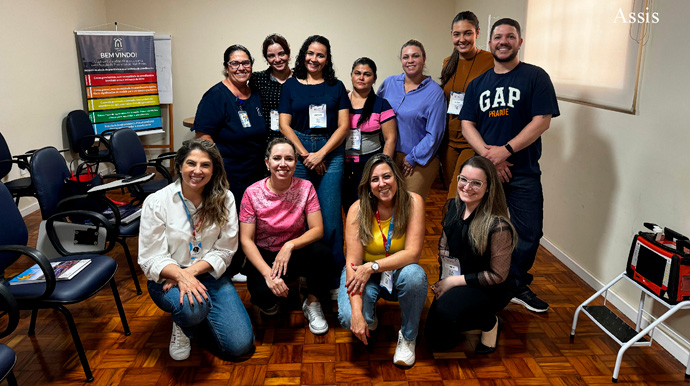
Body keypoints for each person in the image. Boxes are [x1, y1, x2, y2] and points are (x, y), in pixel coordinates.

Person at [459, 18, 560, 313]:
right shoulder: (478, 84)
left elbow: (542, 121)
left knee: (529, 232)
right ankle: (477, 282)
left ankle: (512, 283)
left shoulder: (535, 77)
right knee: (476, 231)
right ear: (490, 44)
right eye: (498, 37)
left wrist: (506, 150)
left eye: (510, 36)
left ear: (519, 41)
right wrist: (492, 159)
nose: (504, 41)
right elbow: (467, 125)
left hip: (524, 171)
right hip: (485, 176)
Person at [138, 139, 254, 361]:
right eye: (191, 163)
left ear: (214, 170)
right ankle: (185, 323)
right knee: (193, 310)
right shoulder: (157, 202)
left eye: (205, 165)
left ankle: (195, 317)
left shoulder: (225, 198)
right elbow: (150, 257)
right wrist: (178, 274)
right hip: (167, 278)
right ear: (179, 165)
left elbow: (225, 250)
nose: (197, 171)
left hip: (208, 272)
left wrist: (188, 274)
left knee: (240, 347)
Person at [337, 154, 427, 367]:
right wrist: (357, 314)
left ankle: (408, 337)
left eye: (387, 176)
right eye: (374, 179)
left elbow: (413, 253)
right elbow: (353, 264)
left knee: (415, 275)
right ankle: (369, 314)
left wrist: (373, 266)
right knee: (351, 318)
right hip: (365, 275)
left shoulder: (413, 202)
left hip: (398, 272)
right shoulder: (357, 210)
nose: (382, 184)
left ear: (396, 177)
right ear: (368, 186)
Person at [239, 138, 332, 334]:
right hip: (265, 254)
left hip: (295, 251)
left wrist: (289, 246)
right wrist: (268, 274)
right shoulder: (251, 193)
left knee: (322, 251)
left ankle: (312, 301)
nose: (283, 164)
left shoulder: (305, 187)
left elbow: (317, 229)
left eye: (289, 159)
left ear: (295, 164)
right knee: (264, 299)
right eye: (277, 158)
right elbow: (246, 240)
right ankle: (275, 293)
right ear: (267, 163)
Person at [424, 156, 517, 353]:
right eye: (463, 179)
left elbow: (498, 276)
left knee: (447, 312)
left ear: (489, 187)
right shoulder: (452, 207)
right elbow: (445, 246)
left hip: (489, 287)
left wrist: (453, 282)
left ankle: (490, 323)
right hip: (459, 277)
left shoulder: (498, 226)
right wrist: (444, 280)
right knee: (436, 341)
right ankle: (462, 311)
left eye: (476, 183)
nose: (467, 187)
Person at [278, 35, 350, 283]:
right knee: (298, 216)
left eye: (320, 55)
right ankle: (302, 274)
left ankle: (332, 277)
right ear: (303, 54)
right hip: (299, 150)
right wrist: (306, 154)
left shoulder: (337, 86)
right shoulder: (290, 85)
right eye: (310, 53)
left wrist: (321, 154)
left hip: (331, 152)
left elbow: (344, 127)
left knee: (330, 219)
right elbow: (283, 125)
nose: (314, 59)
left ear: (327, 59)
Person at [192, 44, 268, 281]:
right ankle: (228, 268)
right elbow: (203, 138)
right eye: (235, 63)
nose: (241, 68)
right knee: (230, 221)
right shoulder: (215, 96)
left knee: (251, 220)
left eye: (246, 63)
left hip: (255, 170)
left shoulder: (253, 92)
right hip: (229, 172)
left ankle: (247, 264)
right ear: (226, 67)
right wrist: (217, 170)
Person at [377, 39, 446, 199]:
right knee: (387, 205)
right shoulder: (389, 83)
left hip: (419, 160)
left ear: (424, 59)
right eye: (406, 57)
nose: (410, 61)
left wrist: (412, 158)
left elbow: (435, 135)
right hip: (389, 154)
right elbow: (375, 110)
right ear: (401, 60)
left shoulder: (435, 93)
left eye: (415, 56)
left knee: (410, 206)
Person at [440, 11, 494, 201]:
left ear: (477, 32)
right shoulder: (448, 63)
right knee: (452, 191)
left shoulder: (490, 61)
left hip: (472, 140)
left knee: (457, 195)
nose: (462, 39)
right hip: (448, 141)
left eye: (467, 33)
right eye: (457, 34)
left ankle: (449, 230)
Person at [343, 57, 396, 212]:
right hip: (343, 164)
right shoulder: (341, 101)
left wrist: (383, 166)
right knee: (349, 208)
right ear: (351, 75)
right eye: (357, 73)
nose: (361, 78)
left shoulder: (381, 104)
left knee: (370, 208)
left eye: (367, 74)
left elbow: (390, 138)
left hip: (370, 165)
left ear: (374, 79)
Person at [250, 33, 292, 144]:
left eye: (281, 54)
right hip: (267, 141)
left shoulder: (300, 78)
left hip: (297, 140)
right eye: (271, 56)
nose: (277, 59)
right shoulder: (258, 79)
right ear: (266, 58)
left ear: (289, 53)